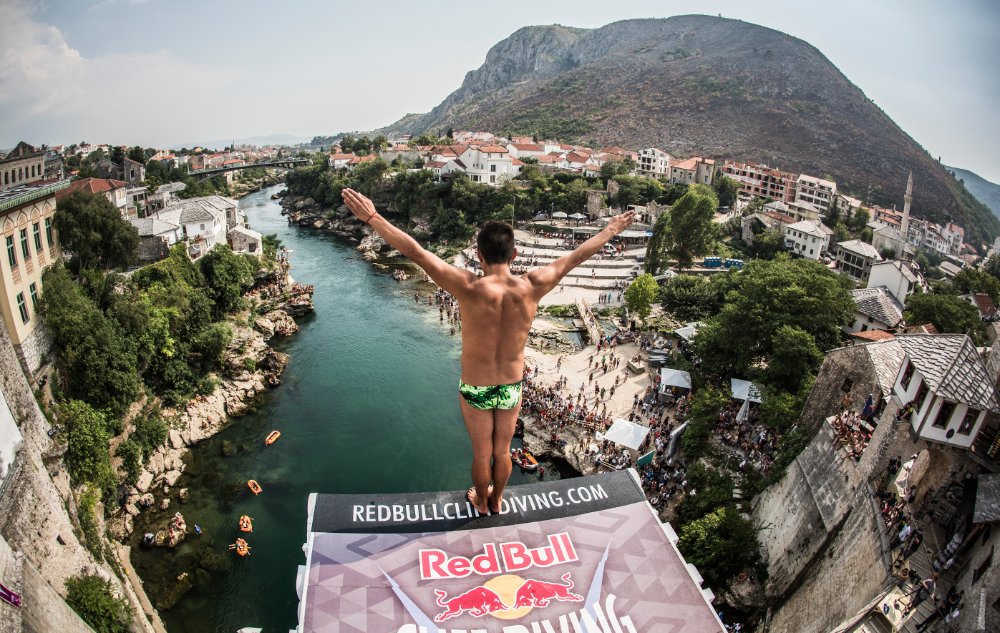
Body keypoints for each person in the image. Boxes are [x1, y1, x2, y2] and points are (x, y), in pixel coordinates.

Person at [341, 188, 635, 514]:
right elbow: (576, 256)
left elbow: (415, 251)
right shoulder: (532, 285)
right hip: (511, 386)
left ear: (479, 254)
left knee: (481, 453)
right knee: (503, 451)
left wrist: (372, 216)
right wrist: (610, 230)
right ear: (515, 255)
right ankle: (497, 500)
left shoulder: (467, 286)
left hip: (475, 386)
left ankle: (481, 502)